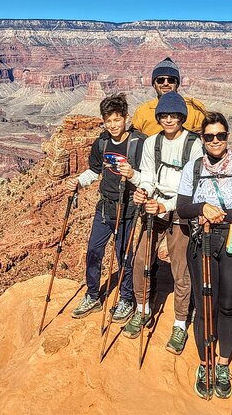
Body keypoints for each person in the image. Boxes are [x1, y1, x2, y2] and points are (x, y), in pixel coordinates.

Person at [176, 112, 232, 399]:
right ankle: (204, 362)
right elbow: (182, 207)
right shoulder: (193, 168)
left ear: (227, 137)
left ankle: (222, 365)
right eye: (209, 136)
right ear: (202, 139)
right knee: (204, 305)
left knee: (229, 304)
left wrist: (218, 214)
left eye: (220, 135)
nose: (215, 141)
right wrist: (201, 208)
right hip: (201, 242)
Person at [123, 91, 203, 356]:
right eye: (164, 115)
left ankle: (180, 323)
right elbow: (147, 175)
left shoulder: (194, 145)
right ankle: (143, 309)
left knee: (181, 270)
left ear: (182, 116)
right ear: (158, 117)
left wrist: (166, 205)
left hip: (180, 210)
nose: (169, 120)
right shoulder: (152, 143)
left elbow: (192, 185)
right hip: (153, 207)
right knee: (140, 261)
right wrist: (142, 190)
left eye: (174, 115)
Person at [66, 93, 146, 323]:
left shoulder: (138, 143)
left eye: (116, 119)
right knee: (93, 252)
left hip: (128, 210)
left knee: (123, 256)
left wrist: (133, 175)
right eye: (108, 120)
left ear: (125, 118)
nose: (112, 125)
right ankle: (93, 295)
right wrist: (78, 181)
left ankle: (126, 299)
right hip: (104, 208)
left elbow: (148, 176)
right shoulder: (102, 142)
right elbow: (95, 170)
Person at [131, 57, 206, 136]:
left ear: (177, 84)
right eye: (160, 80)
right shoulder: (143, 111)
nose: (166, 83)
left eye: (171, 80)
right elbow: (134, 138)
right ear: (154, 84)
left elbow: (205, 136)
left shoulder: (194, 108)